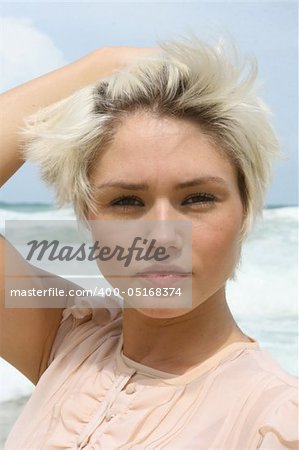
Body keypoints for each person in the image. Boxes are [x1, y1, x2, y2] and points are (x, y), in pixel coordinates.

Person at [0, 36, 298, 449]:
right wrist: (102, 64)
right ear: (88, 216)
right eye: (125, 201)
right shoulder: (68, 340)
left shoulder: (273, 420)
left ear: (245, 209)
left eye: (197, 198)